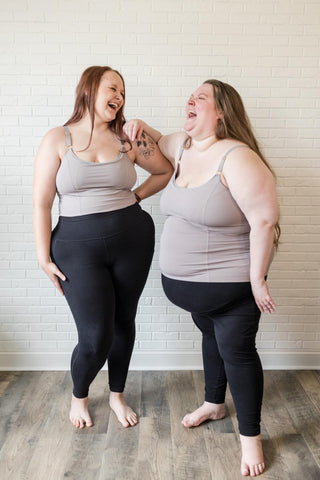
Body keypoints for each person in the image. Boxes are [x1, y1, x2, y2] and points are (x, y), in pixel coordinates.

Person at [124, 79, 280, 477]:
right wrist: (138, 125)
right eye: (190, 94)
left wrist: (258, 280)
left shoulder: (237, 158)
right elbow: (157, 140)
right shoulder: (184, 146)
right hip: (193, 293)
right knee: (211, 338)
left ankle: (251, 441)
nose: (190, 99)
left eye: (201, 97)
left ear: (221, 112)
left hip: (232, 290)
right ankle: (214, 403)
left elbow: (264, 221)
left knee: (238, 354)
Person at [33, 66, 173, 430]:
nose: (120, 97)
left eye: (123, 93)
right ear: (90, 88)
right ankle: (80, 395)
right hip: (76, 247)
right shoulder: (56, 139)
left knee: (124, 320)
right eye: (113, 88)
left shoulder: (128, 139)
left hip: (133, 238)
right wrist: (42, 256)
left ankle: (116, 394)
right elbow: (42, 203)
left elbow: (165, 170)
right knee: (96, 336)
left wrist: (135, 197)